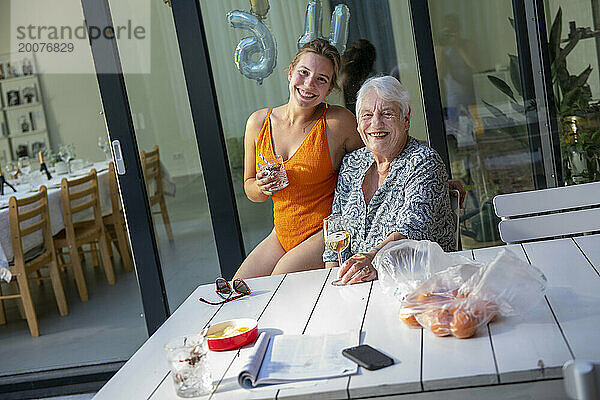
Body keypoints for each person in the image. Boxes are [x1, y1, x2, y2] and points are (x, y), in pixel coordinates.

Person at [233, 38, 364, 279]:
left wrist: (429, 175)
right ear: (290, 71)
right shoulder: (258, 123)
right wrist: (261, 187)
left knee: (280, 279)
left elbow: (378, 156)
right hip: (281, 234)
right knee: (238, 287)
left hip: (323, 232)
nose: (309, 84)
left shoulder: (338, 123)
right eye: (303, 72)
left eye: (321, 79)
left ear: (330, 89)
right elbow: (250, 189)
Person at [324, 75, 456, 285]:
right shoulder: (352, 163)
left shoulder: (423, 162)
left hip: (419, 284)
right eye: (367, 115)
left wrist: (370, 259)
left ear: (406, 120)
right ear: (358, 124)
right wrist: (331, 283)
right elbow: (336, 229)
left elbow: (412, 231)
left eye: (387, 114)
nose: (376, 123)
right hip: (358, 285)